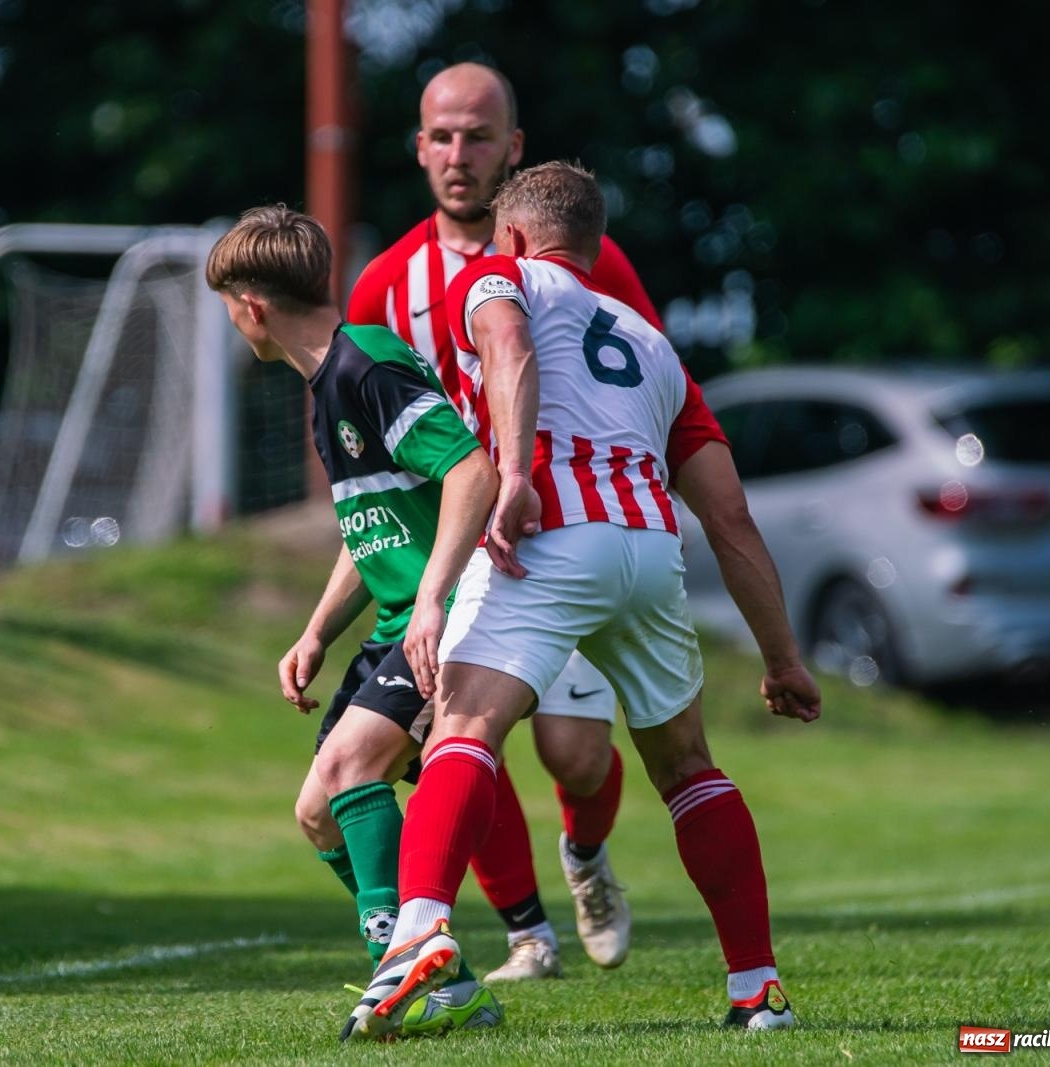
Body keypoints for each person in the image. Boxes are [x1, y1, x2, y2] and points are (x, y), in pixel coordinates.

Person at [342, 162, 821, 1041]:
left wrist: (518, 474)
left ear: (514, 235)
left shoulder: (497, 275)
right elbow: (730, 517)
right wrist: (783, 658)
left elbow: (508, 347)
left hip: (550, 538)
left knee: (463, 728)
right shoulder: (651, 343)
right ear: (596, 247)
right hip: (646, 551)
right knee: (687, 768)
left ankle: (417, 937)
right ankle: (759, 990)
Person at [348, 61, 665, 980]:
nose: (459, 153)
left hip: (564, 529)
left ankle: (586, 857)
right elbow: (366, 444)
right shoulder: (385, 286)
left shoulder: (588, 259)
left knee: (577, 758)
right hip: (452, 548)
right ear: (418, 147)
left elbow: (653, 380)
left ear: (513, 147)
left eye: (479, 135)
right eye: (442, 136)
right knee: (458, 736)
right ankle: (529, 933)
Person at [206, 205, 504, 1036]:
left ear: (252, 305)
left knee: (347, 769)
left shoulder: (363, 364)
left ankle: (403, 975)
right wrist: (315, 631)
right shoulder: (328, 380)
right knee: (315, 807)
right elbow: (371, 524)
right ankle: (443, 979)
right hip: (395, 620)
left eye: (229, 305)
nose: (232, 322)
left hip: (436, 617)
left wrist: (437, 598)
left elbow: (470, 471)